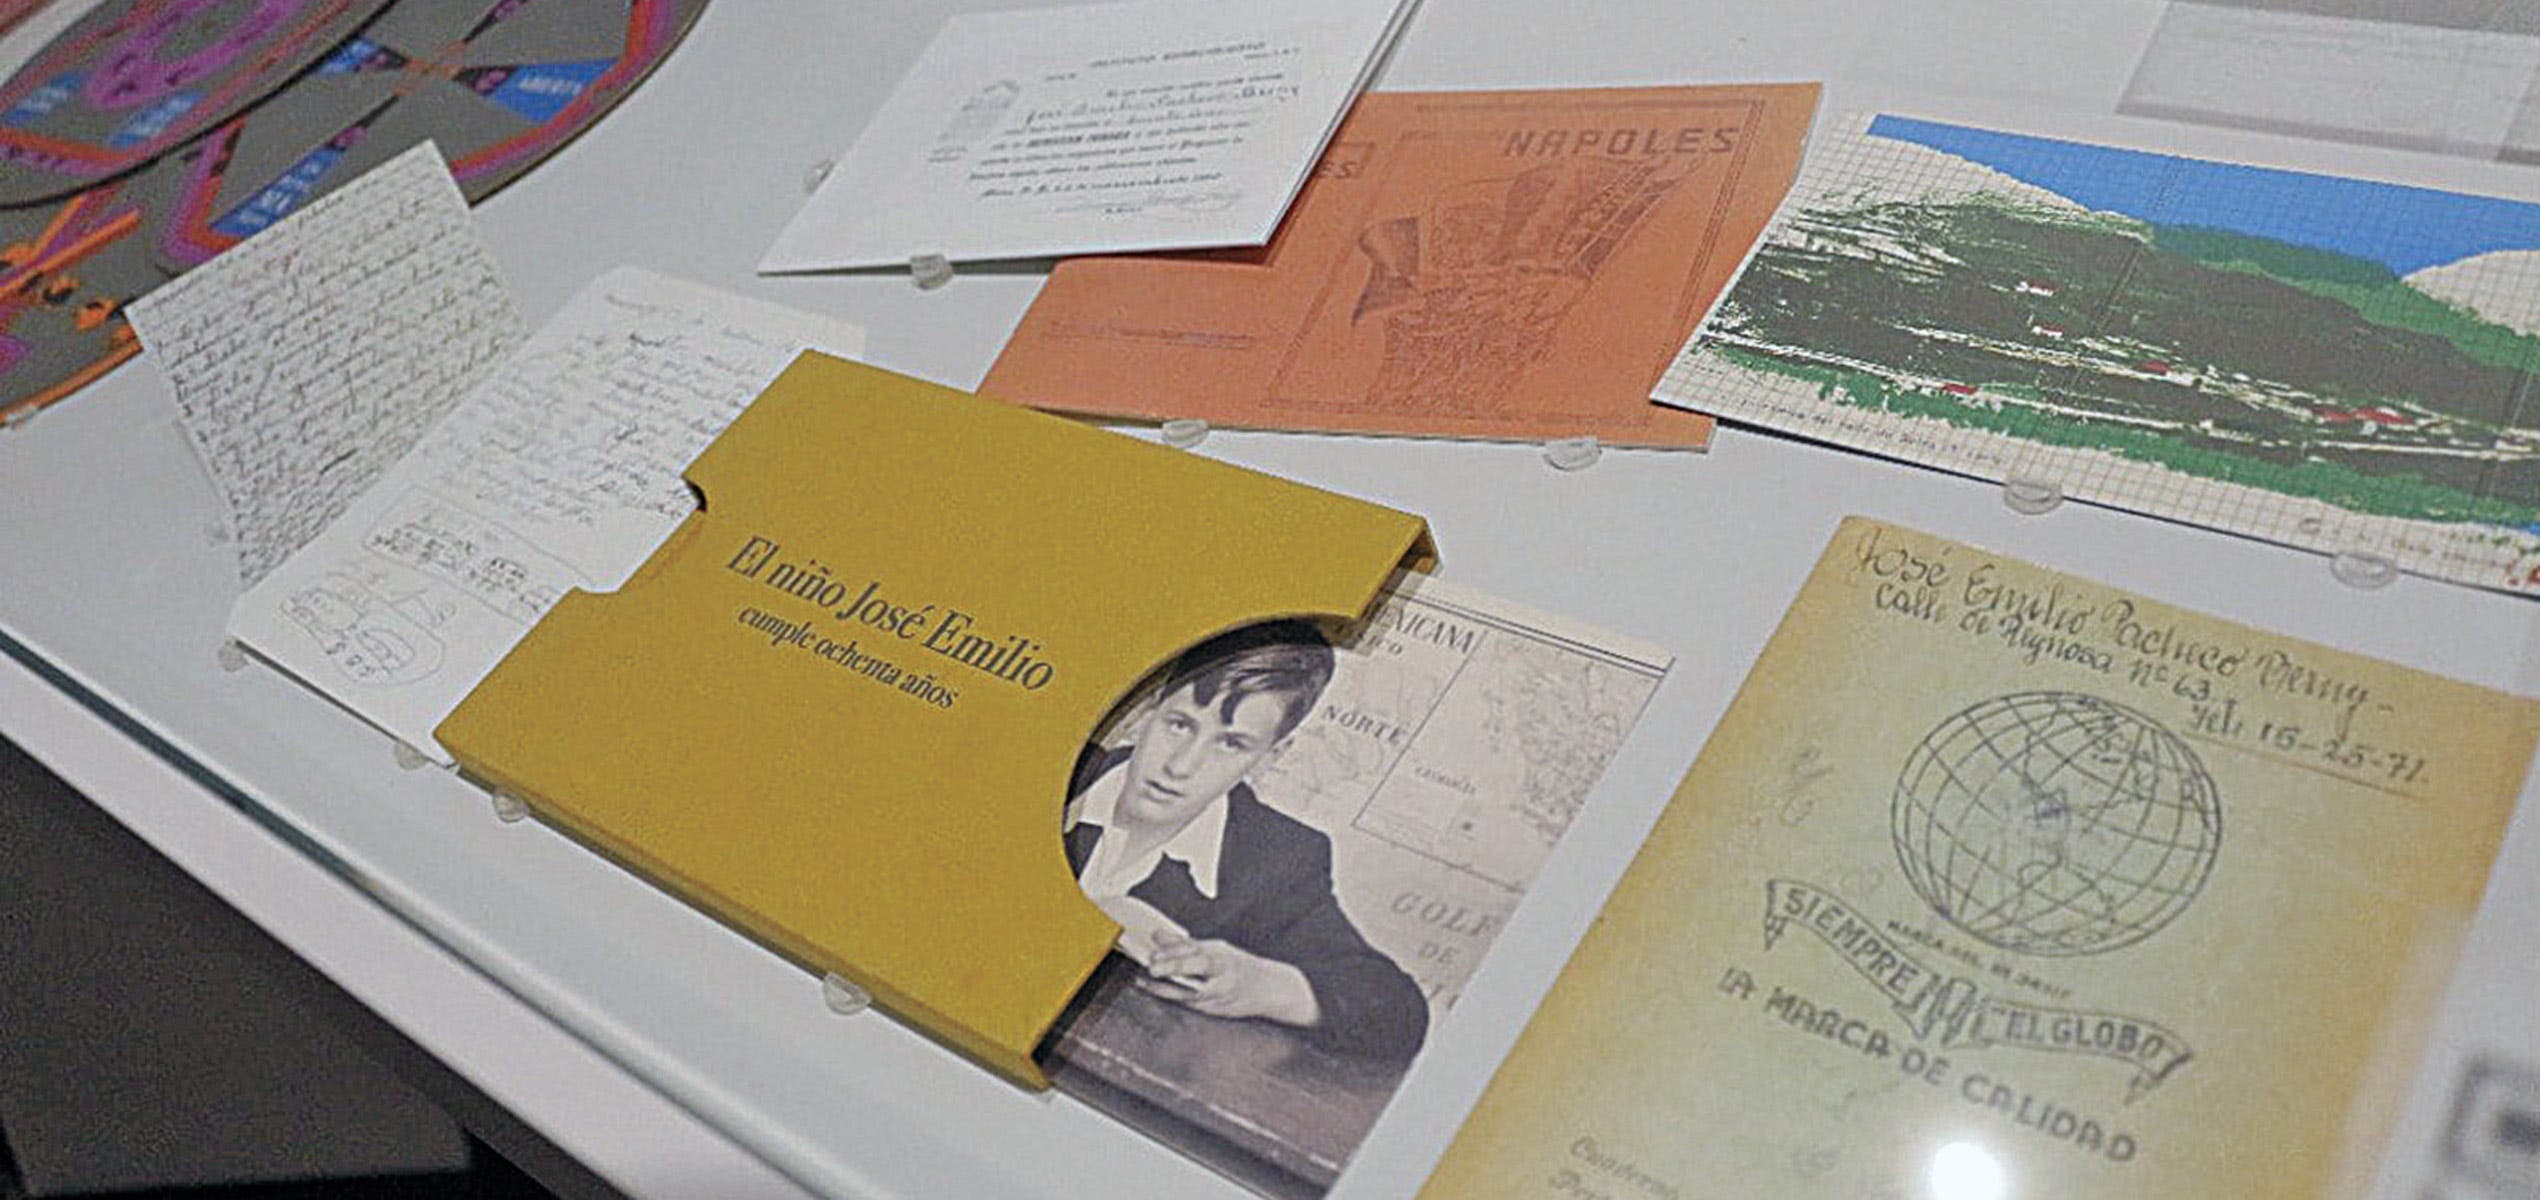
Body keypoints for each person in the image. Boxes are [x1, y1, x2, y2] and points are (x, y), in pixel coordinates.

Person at [1064, 621, 1428, 1065]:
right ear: (1146, 712)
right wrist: (1083, 912)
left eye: (1231, 743)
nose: (1181, 766)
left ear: (1270, 756)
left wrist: (1259, 984)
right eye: (1179, 724)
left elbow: (1397, 1012)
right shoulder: (1062, 765)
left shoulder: (1276, 856)